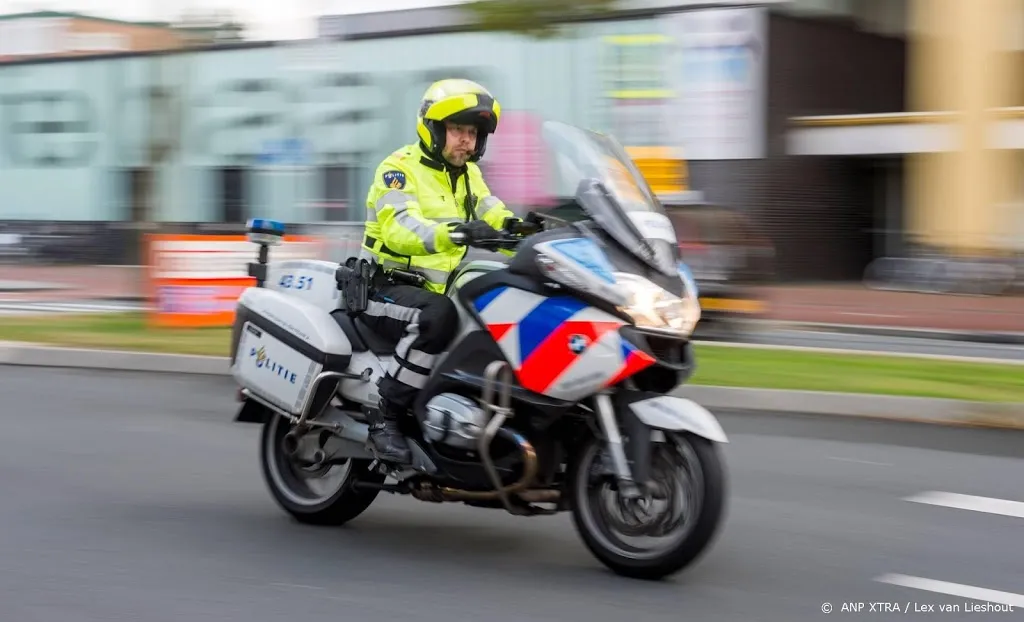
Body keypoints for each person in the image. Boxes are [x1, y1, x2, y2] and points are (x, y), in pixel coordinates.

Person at [357, 78, 518, 464]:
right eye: (458, 130)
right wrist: (459, 231)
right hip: (383, 287)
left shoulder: (468, 176)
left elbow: (493, 211)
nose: (466, 140)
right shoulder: (397, 170)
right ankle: (386, 417)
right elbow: (401, 227)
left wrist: (525, 232)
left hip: (433, 288)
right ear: (432, 128)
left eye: (473, 133)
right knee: (439, 316)